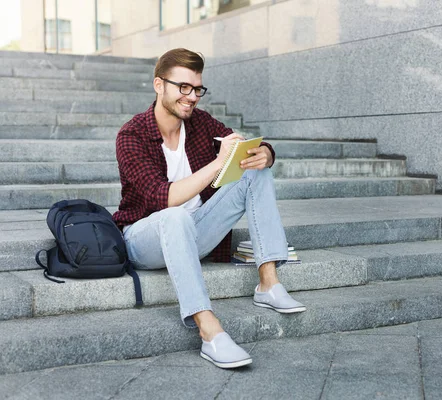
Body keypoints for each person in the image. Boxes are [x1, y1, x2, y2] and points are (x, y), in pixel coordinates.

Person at [112, 48, 305, 369]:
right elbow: (164, 198)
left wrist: (266, 154)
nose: (192, 97)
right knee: (173, 215)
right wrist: (219, 162)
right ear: (159, 85)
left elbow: (244, 145)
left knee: (255, 171)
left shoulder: (199, 123)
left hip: (195, 232)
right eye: (183, 87)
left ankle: (268, 283)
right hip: (144, 240)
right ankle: (209, 330)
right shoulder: (132, 135)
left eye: (197, 88)